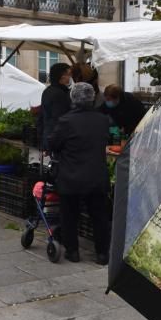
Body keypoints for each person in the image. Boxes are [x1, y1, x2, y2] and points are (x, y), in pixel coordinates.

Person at [48, 82, 111, 265]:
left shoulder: (66, 121)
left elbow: (53, 143)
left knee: (69, 215)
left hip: (71, 176)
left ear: (73, 98)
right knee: (99, 216)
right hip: (96, 176)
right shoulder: (102, 120)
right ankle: (102, 254)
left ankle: (73, 252)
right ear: (92, 98)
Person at [36, 62, 72, 150]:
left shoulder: (47, 91)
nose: (70, 78)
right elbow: (60, 119)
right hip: (57, 139)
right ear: (62, 76)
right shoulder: (60, 94)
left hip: (48, 136)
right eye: (69, 74)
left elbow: (42, 115)